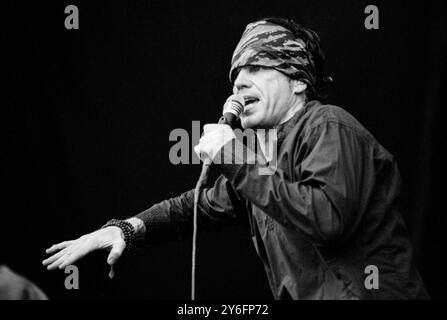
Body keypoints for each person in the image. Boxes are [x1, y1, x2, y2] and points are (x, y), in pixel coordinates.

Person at [43, 17, 428, 299]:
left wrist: (232, 154)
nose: (239, 84)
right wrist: (125, 228)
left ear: (298, 81)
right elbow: (192, 209)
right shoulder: (262, 154)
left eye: (257, 68)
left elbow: (327, 219)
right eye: (235, 76)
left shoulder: (329, 125)